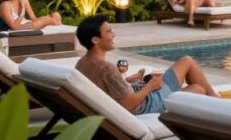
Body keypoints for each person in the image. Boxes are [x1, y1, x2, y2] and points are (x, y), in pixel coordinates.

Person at [75, 15, 220, 115]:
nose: (113, 35)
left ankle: (211, 97)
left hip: (139, 91)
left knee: (188, 67)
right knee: (197, 85)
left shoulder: (82, 63)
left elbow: (107, 89)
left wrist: (127, 82)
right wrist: (150, 86)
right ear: (95, 40)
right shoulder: (106, 68)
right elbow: (126, 104)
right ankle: (217, 101)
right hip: (147, 103)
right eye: (108, 32)